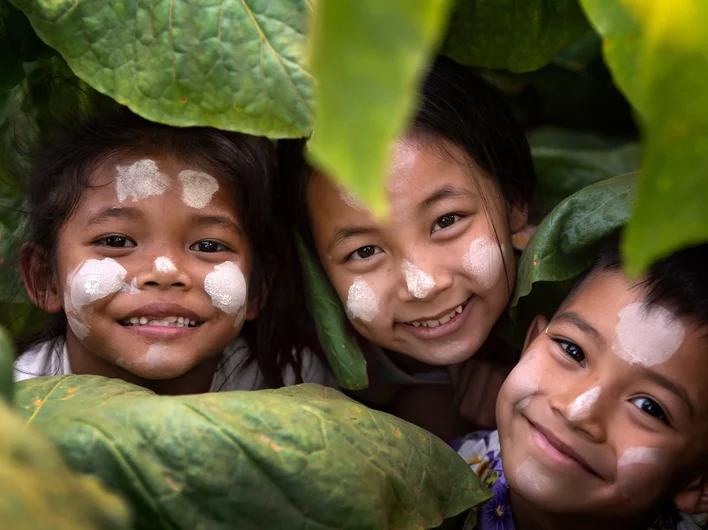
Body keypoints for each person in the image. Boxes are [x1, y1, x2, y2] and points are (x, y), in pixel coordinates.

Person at [278, 56, 536, 438]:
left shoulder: (580, 295)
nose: (423, 284)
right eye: (364, 251)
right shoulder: (300, 366)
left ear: (513, 204)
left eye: (447, 221)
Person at [14, 106, 332, 394]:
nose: (165, 272)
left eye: (208, 245)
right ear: (46, 278)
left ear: (257, 288)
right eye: (116, 241)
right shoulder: (13, 401)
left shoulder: (292, 386)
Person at [454, 237, 708, 529]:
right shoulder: (432, 478)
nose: (577, 411)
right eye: (572, 351)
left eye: (649, 407)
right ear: (530, 342)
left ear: (700, 483)